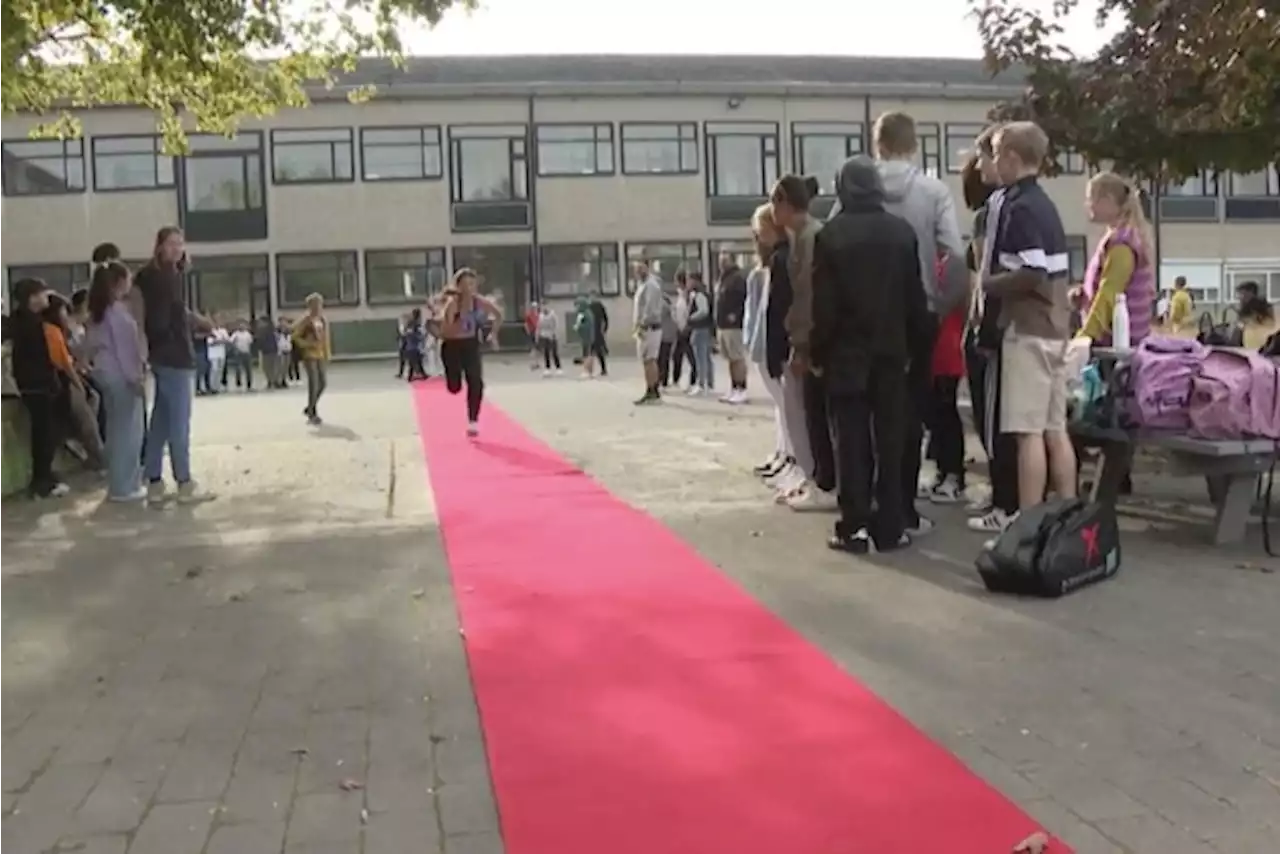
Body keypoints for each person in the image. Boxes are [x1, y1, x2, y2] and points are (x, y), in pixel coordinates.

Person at [814, 156, 931, 553]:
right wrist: (919, 347)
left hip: (847, 352)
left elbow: (824, 305)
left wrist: (818, 349)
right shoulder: (902, 233)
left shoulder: (830, 236)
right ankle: (891, 523)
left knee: (849, 439)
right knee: (890, 437)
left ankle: (854, 525)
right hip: (892, 350)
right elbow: (915, 297)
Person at [982, 121, 1076, 528]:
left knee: (1027, 433)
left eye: (998, 152)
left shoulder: (1017, 206)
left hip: (1028, 328)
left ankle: (1027, 524)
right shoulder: (1046, 205)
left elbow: (1032, 270)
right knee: (1056, 428)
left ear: (1013, 158)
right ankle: (1069, 513)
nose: (994, 161)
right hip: (1056, 328)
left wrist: (990, 283)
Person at [965, 126, 1022, 533]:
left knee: (993, 415)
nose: (977, 165)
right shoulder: (1013, 205)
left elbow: (984, 271)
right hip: (1014, 323)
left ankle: (1006, 500)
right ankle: (1008, 494)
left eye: (983, 156)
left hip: (995, 325)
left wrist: (977, 318)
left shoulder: (994, 211)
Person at [134, 226, 215, 505]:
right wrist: (176, 333)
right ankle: (184, 482)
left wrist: (193, 321)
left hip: (161, 355)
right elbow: (165, 316)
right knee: (179, 423)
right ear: (160, 246)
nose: (177, 249)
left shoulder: (150, 277)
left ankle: (154, 480)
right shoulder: (166, 278)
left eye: (180, 244)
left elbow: (170, 312)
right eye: (172, 243)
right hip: (175, 356)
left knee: (161, 422)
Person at [773, 174, 834, 512]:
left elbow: (809, 297)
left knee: (818, 414)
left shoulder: (811, 237)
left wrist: (803, 344)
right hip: (810, 337)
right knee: (812, 413)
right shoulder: (800, 236)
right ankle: (820, 479)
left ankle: (826, 482)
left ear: (784, 202)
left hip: (816, 340)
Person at [85, 261, 147, 502]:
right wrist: (136, 378)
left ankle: (119, 483)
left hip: (104, 373)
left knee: (116, 429)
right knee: (128, 431)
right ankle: (125, 486)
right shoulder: (117, 313)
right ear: (120, 282)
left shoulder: (98, 313)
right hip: (121, 376)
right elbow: (126, 351)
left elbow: (88, 347)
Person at [1077, 172, 1157, 347]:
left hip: (1118, 344)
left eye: (1091, 199)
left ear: (1108, 200)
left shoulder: (1122, 245)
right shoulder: (1121, 237)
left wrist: (1083, 338)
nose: (1087, 205)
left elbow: (1109, 294)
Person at [9, 279, 70, 498]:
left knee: (45, 432)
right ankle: (42, 482)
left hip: (32, 384)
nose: (46, 298)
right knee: (44, 434)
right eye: (42, 294)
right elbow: (39, 357)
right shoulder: (30, 324)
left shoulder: (22, 321)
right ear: (32, 297)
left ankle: (44, 476)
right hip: (38, 385)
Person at [745, 204, 793, 480]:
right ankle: (782, 451)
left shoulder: (780, 261)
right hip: (763, 345)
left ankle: (790, 456)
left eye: (761, 230)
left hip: (775, 344)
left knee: (787, 405)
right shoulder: (763, 267)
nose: (758, 236)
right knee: (780, 405)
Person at [439, 268, 502, 436]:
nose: (469, 288)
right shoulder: (453, 304)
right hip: (451, 345)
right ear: (458, 286)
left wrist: (493, 334)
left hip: (470, 344)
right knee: (455, 387)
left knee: (476, 381)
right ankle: (452, 380)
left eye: (472, 284)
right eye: (465, 284)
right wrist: (460, 320)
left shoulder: (479, 302)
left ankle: (473, 420)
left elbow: (498, 314)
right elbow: (445, 331)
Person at [714, 252, 749, 404]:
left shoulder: (737, 278)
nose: (721, 263)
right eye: (720, 261)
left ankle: (742, 388)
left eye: (725, 260)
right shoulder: (722, 278)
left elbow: (744, 299)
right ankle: (733, 387)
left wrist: (736, 314)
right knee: (730, 359)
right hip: (722, 325)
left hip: (734, 325)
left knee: (737, 357)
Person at [292, 293, 331, 425]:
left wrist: (327, 353)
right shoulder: (306, 320)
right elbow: (295, 336)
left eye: (320, 304)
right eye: (315, 304)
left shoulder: (323, 319)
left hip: (320, 353)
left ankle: (309, 407)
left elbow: (325, 338)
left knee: (323, 383)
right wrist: (307, 344)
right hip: (309, 355)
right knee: (313, 383)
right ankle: (313, 412)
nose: (318, 306)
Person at [632, 260, 665, 405]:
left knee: (650, 359)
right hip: (643, 327)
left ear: (647, 268)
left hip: (650, 327)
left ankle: (653, 391)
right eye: (636, 269)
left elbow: (650, 308)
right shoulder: (642, 284)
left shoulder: (651, 285)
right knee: (645, 360)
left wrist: (643, 324)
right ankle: (649, 389)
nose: (638, 271)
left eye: (641, 268)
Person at [685, 272, 714, 396]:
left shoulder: (699, 295)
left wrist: (691, 317)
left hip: (699, 328)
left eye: (689, 281)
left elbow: (703, 311)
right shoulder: (704, 293)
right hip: (705, 328)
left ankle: (701, 384)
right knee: (706, 357)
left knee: (700, 358)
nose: (688, 284)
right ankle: (709, 382)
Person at [671, 272, 696, 387]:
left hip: (686, 329)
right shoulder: (681, 294)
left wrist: (687, 325)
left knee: (691, 356)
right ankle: (676, 379)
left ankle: (694, 380)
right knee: (676, 355)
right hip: (679, 329)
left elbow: (688, 311)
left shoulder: (688, 295)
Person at [255, 316, 283, 389]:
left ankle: (272, 381)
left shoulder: (265, 331)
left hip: (269, 350)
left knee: (269, 367)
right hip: (270, 350)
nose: (259, 323)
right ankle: (272, 381)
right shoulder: (269, 330)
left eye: (260, 322)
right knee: (270, 367)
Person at [573, 295, 597, 379]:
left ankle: (586, 371)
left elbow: (585, 326)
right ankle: (591, 371)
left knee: (586, 354)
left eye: (577, 305)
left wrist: (578, 327)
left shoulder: (584, 314)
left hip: (586, 337)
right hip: (589, 337)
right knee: (589, 354)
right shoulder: (588, 312)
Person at [536, 302, 563, 376]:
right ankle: (547, 368)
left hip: (552, 335)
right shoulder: (541, 316)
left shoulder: (553, 315)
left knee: (554, 352)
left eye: (545, 306)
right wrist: (538, 335)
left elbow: (556, 325)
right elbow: (539, 326)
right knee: (546, 352)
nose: (544, 308)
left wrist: (555, 334)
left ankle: (558, 368)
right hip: (544, 335)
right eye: (542, 306)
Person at [657, 291, 677, 387]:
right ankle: (663, 379)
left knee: (662, 358)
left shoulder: (662, 303)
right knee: (665, 358)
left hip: (664, 335)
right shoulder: (666, 301)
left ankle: (662, 379)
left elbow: (658, 317)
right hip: (669, 334)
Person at [587, 292, 610, 376]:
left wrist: (605, 328)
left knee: (597, 351)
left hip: (597, 331)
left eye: (593, 297)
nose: (592, 298)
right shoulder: (588, 306)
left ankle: (602, 369)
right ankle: (590, 370)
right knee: (591, 351)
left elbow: (605, 317)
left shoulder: (599, 306)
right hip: (591, 331)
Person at [229, 320, 255, 390]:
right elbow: (231, 341)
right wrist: (235, 349)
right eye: (240, 325)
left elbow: (250, 342)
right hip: (238, 352)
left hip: (246, 352)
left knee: (248, 369)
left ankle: (249, 384)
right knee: (238, 368)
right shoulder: (235, 334)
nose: (242, 326)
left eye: (243, 325)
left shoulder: (248, 334)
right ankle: (238, 382)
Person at [206, 317, 228, 393]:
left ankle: (218, 386)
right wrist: (220, 341)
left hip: (221, 353)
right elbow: (210, 343)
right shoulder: (210, 331)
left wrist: (219, 341)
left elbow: (227, 340)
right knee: (214, 369)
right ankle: (212, 387)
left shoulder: (223, 331)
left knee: (220, 370)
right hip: (213, 354)